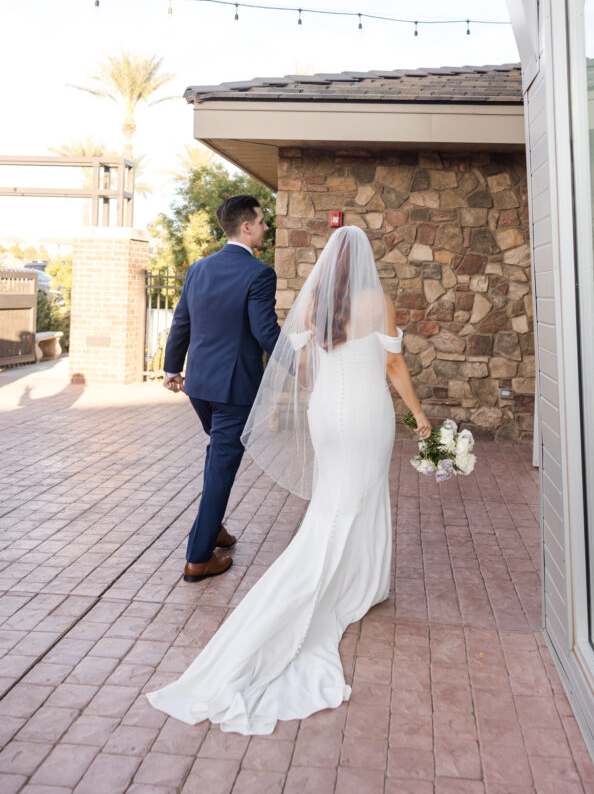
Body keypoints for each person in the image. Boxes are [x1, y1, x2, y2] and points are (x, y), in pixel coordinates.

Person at [147, 225, 431, 734]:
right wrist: (420, 415)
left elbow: (301, 371)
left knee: (333, 498)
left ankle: (355, 578)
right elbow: (393, 365)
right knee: (363, 494)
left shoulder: (316, 303)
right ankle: (356, 583)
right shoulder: (378, 301)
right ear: (363, 262)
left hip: (326, 414)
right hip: (367, 413)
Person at [163, 194, 280, 582]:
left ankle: (213, 529)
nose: (265, 227)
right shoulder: (259, 274)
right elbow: (266, 332)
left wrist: (171, 369)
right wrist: (301, 363)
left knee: (218, 458)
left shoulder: (198, 268)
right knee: (220, 469)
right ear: (246, 227)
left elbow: (182, 321)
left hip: (199, 386)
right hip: (234, 391)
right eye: (261, 221)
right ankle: (198, 558)